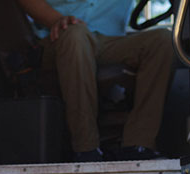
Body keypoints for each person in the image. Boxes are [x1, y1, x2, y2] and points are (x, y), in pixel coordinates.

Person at [16, 0, 175, 161]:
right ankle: (86, 150)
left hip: (109, 40)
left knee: (164, 40)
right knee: (75, 35)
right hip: (58, 36)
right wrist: (55, 20)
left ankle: (139, 146)